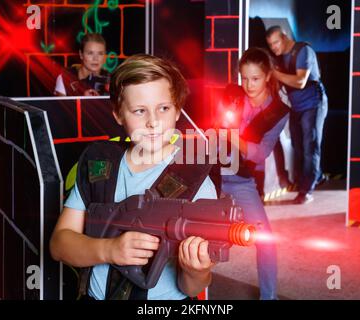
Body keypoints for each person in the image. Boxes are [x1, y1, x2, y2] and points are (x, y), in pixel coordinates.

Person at [50, 54, 217, 300]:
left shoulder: (196, 182)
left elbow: (192, 288)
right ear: (118, 114)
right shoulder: (100, 165)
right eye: (139, 111)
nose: (153, 122)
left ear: (178, 110)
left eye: (163, 108)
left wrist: (196, 270)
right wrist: (109, 250)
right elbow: (58, 245)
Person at [219, 47, 289, 299]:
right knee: (192, 229)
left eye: (255, 78)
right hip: (212, 175)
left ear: (268, 76)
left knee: (265, 240)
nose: (248, 85)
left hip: (241, 182)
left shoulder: (278, 113)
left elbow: (260, 154)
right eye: (244, 77)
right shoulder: (232, 94)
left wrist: (233, 137)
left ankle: (268, 297)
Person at [266, 26, 328, 204]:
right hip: (297, 106)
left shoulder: (303, 51)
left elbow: (300, 82)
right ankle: (318, 176)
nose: (274, 47)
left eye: (276, 42)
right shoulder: (280, 58)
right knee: (299, 147)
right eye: (270, 45)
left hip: (313, 104)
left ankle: (306, 190)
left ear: (284, 37)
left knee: (310, 146)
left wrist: (275, 73)